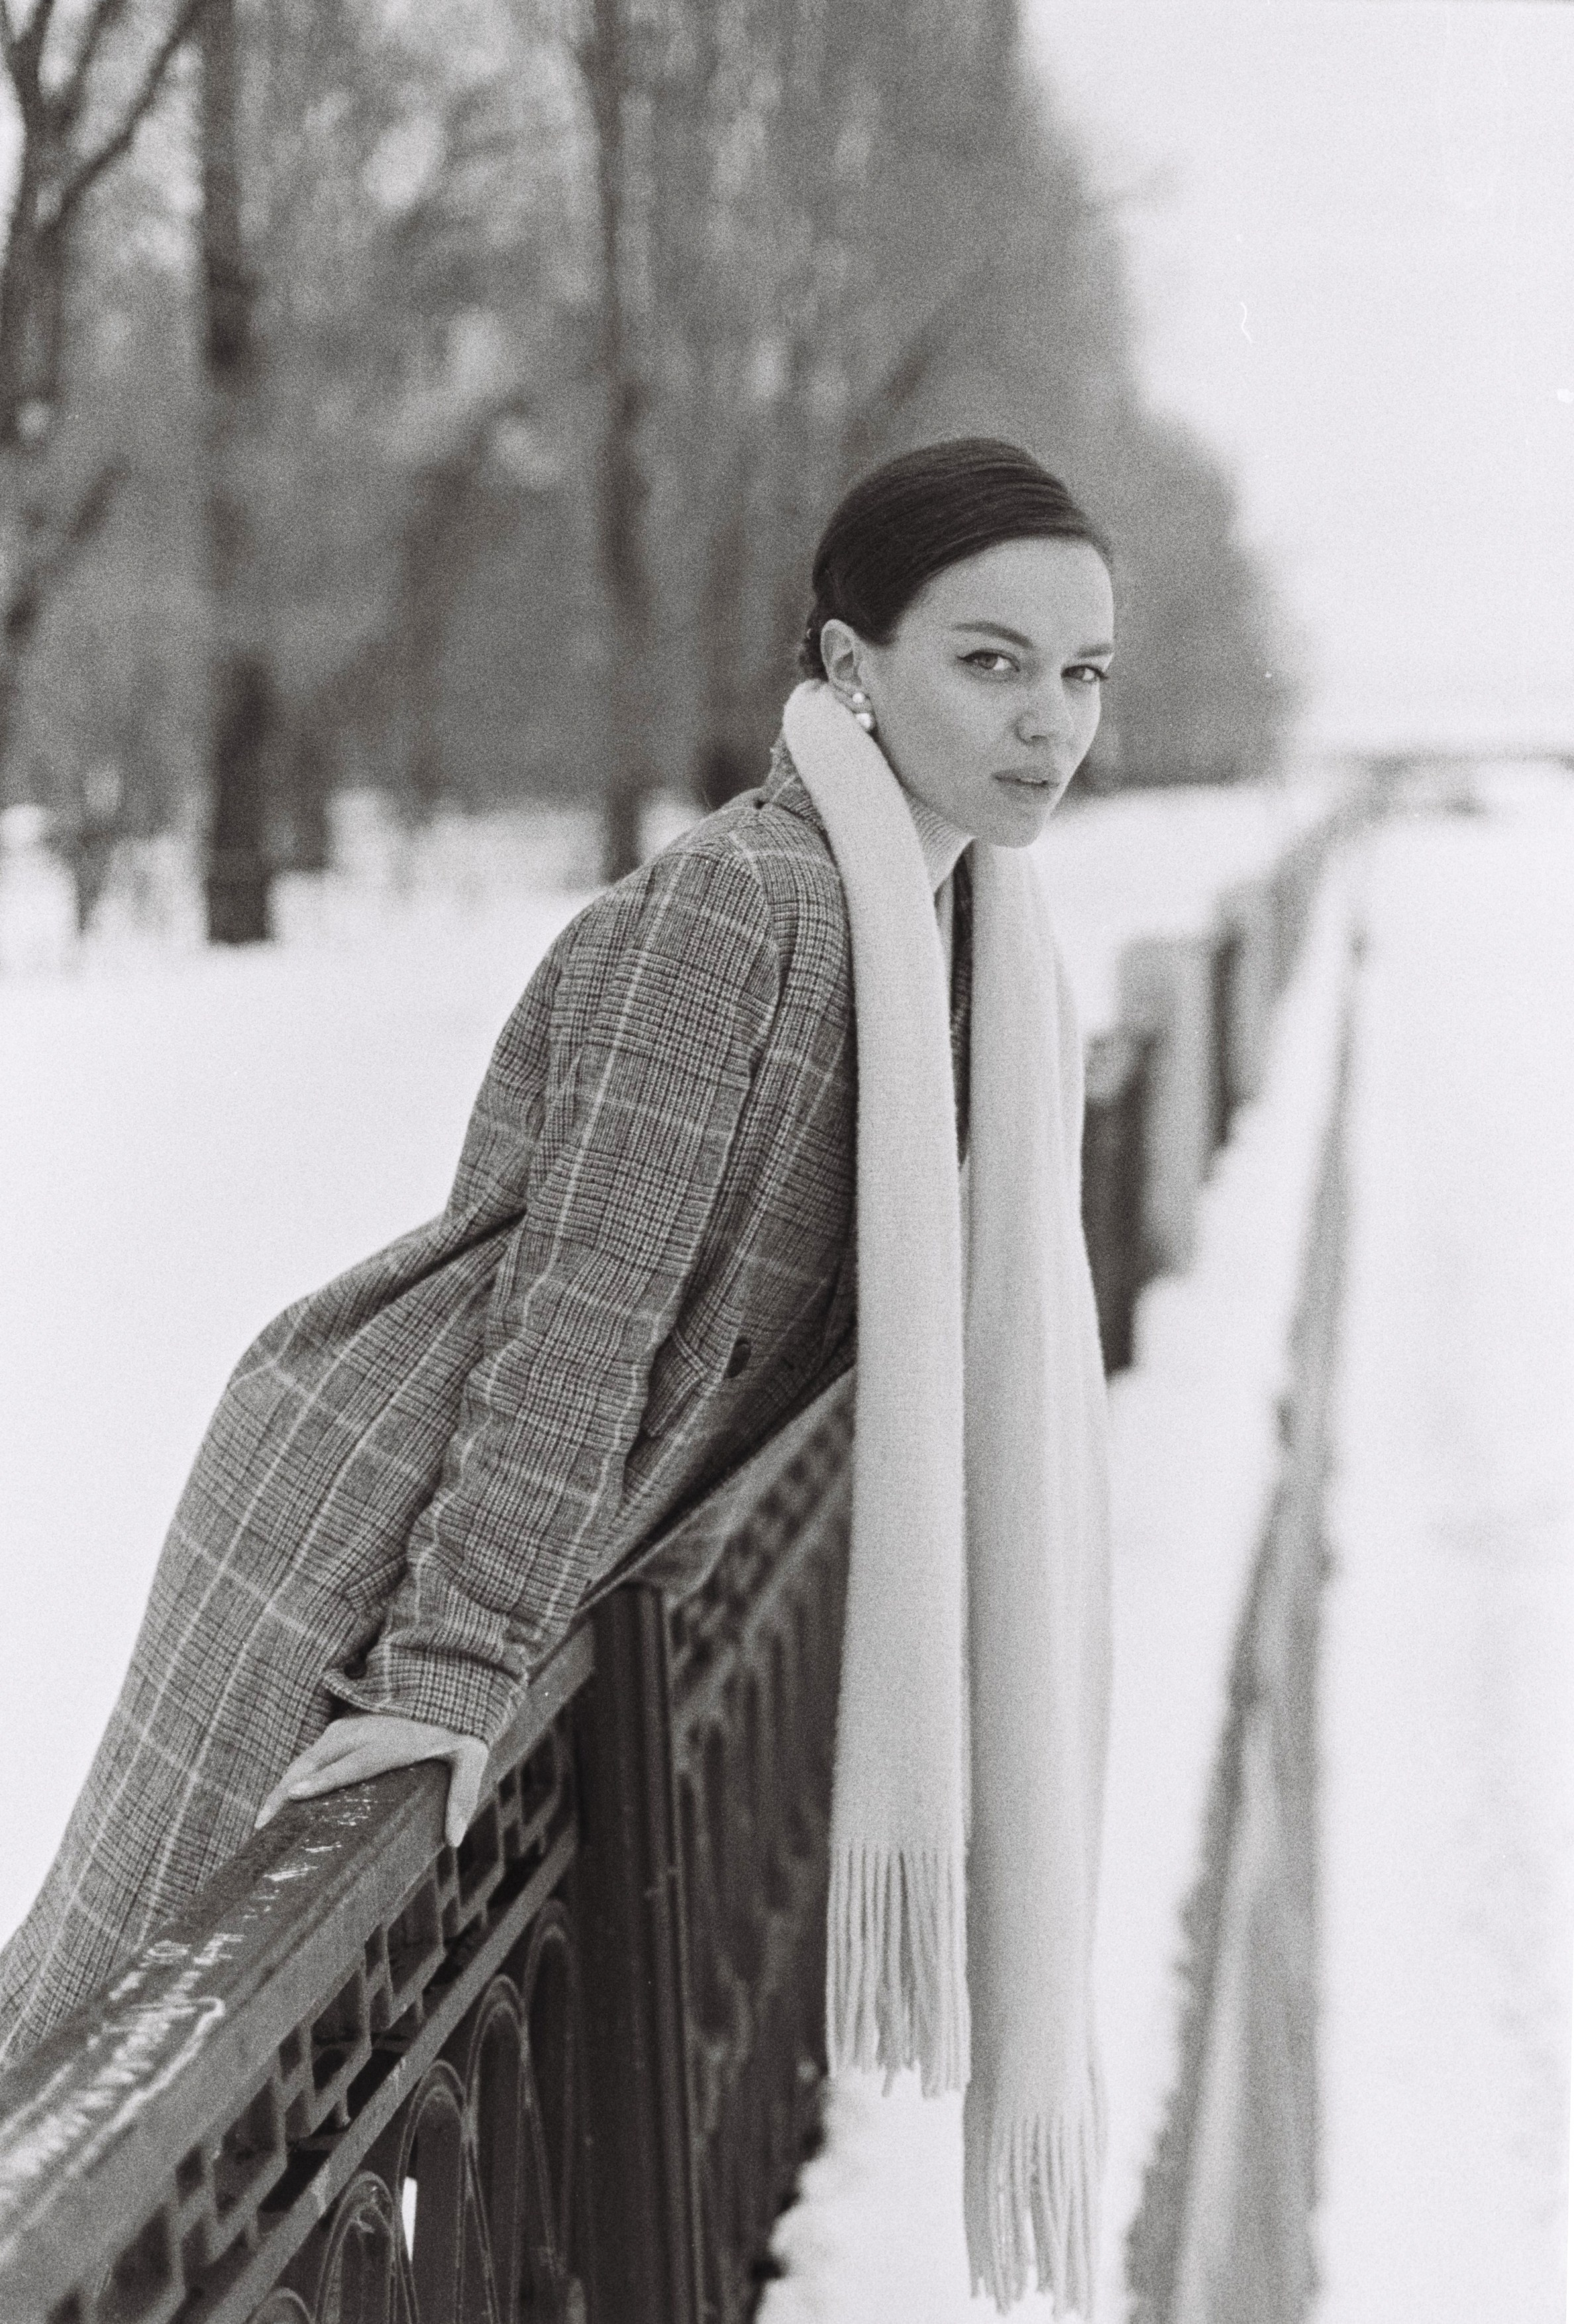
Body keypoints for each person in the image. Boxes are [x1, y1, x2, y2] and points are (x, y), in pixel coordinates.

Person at [0, 436, 1117, 2314]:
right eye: (989, 662)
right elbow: (584, 1309)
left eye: (1081, 673)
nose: (1048, 723)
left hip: (495, 1536)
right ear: (851, 667)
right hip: (367, 1509)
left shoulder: (960, 940)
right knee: (102, 2063)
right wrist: (453, 1666)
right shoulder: (748, 904)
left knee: (222, 2131)